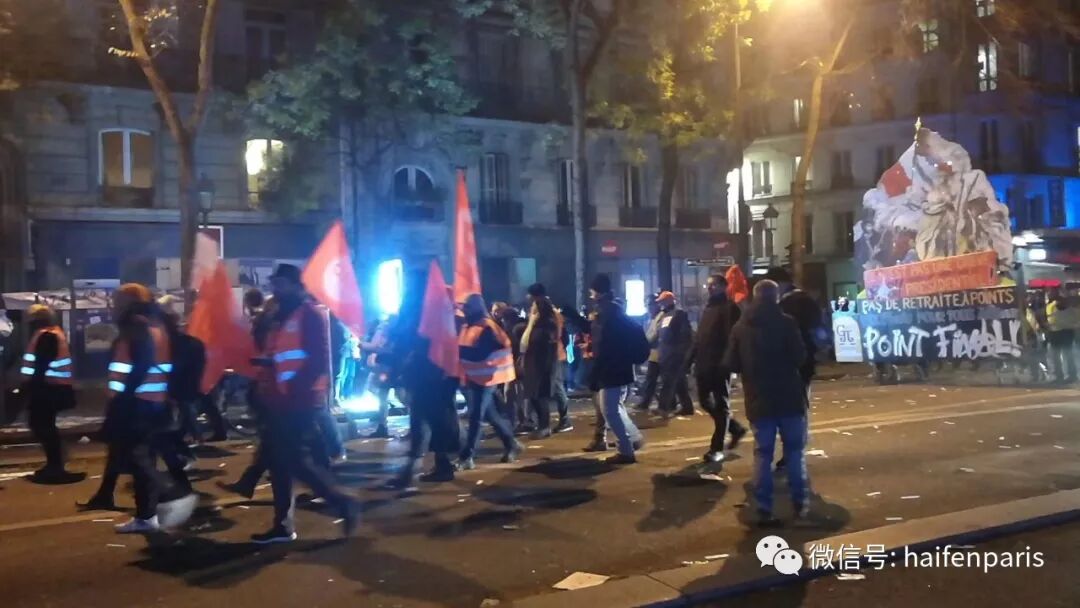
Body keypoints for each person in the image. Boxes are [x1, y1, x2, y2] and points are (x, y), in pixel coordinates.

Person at [253, 264, 357, 543]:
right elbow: (277, 352)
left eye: (281, 283)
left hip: (296, 401)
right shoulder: (279, 315)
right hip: (276, 398)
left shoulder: (309, 314)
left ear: (296, 286)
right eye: (274, 283)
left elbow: (318, 361)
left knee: (294, 462)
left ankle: (341, 502)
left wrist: (293, 390)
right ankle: (283, 525)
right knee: (280, 463)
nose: (276, 288)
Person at [102, 284, 197, 533]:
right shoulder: (154, 323)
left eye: (117, 299)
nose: (113, 304)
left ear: (128, 301)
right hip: (152, 401)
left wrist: (123, 397)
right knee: (142, 457)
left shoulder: (137, 323)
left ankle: (170, 496)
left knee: (137, 459)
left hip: (137, 403)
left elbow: (141, 364)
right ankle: (147, 516)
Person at [724, 280, 810, 526]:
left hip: (758, 398)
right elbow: (800, 357)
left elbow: (731, 363)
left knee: (763, 454)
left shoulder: (741, 327)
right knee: (794, 452)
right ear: (776, 297)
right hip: (789, 396)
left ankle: (764, 506)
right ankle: (799, 504)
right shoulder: (787, 323)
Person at [685, 275, 748, 466]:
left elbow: (732, 338)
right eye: (709, 285)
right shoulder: (708, 308)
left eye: (714, 285)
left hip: (720, 364)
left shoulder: (730, 308)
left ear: (724, 286)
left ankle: (717, 448)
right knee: (704, 401)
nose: (710, 288)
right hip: (704, 364)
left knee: (721, 405)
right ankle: (734, 428)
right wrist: (688, 361)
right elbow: (699, 338)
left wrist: (729, 362)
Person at [457, 293, 523, 470]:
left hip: (488, 377)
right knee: (490, 415)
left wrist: (457, 351)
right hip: (477, 376)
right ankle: (511, 444)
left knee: (476, 416)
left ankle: (467, 456)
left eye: (467, 307)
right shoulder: (469, 325)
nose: (464, 310)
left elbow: (480, 353)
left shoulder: (487, 327)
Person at [20, 304, 81, 483]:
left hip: (48, 389)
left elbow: (41, 365)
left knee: (42, 426)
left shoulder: (47, 336)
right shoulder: (52, 334)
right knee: (45, 426)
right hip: (53, 387)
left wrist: (29, 387)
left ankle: (55, 466)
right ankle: (55, 464)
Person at [587, 274, 643, 465]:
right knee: (615, 409)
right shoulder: (611, 310)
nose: (591, 295)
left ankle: (626, 450)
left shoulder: (607, 312)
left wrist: (596, 371)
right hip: (617, 368)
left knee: (610, 411)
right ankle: (633, 439)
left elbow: (604, 345)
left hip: (612, 369)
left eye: (592, 292)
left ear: (598, 292)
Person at [526, 283, 573, 433]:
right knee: (554, 388)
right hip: (554, 354)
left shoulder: (548, 313)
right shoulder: (550, 311)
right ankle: (561, 419)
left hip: (552, 356)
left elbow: (556, 335)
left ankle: (564, 419)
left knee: (556, 388)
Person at [519, 297, 560, 438]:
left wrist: (546, 367)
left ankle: (545, 426)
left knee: (540, 396)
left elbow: (548, 345)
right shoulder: (534, 325)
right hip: (532, 364)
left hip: (542, 366)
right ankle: (541, 425)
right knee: (532, 396)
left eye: (534, 307)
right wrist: (531, 323)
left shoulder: (548, 325)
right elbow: (523, 344)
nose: (531, 309)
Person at [654, 291, 695, 417]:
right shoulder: (665, 315)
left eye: (662, 301)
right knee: (678, 381)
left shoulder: (679, 314)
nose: (660, 304)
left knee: (668, 381)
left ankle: (663, 407)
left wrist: (681, 352)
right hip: (666, 354)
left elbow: (685, 334)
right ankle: (687, 406)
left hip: (674, 354)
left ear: (669, 301)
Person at [635, 296, 663, 411]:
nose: (649, 307)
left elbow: (654, 334)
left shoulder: (660, 316)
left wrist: (644, 343)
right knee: (652, 378)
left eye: (650, 305)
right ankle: (646, 402)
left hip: (659, 352)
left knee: (653, 378)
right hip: (655, 352)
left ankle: (646, 403)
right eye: (647, 305)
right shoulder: (649, 317)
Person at [1045, 289, 1079, 383]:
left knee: (1060, 355)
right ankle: (1070, 375)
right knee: (1066, 355)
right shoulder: (1069, 307)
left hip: (1058, 332)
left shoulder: (1051, 306)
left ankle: (1062, 376)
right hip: (1064, 332)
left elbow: (1050, 319)